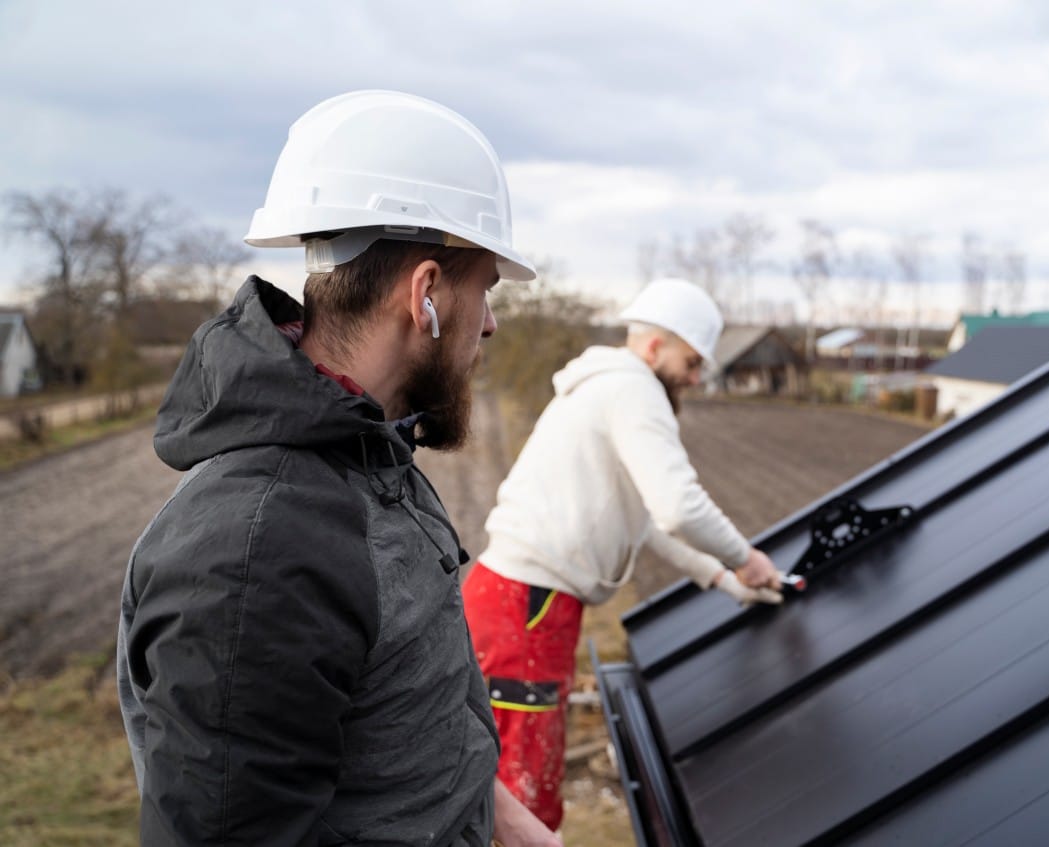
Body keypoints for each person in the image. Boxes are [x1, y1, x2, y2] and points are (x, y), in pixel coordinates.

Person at [116, 90, 559, 846]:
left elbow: (401, 711)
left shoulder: (373, 455)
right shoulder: (260, 554)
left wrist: (507, 822)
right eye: (484, 288)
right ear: (424, 294)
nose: (489, 320)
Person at [462, 277, 785, 830]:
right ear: (656, 346)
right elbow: (678, 506)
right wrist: (745, 558)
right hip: (527, 608)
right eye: (690, 360)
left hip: (518, 599)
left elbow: (645, 523)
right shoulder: (635, 390)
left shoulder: (608, 388)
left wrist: (724, 581)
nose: (696, 376)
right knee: (525, 796)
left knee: (506, 789)